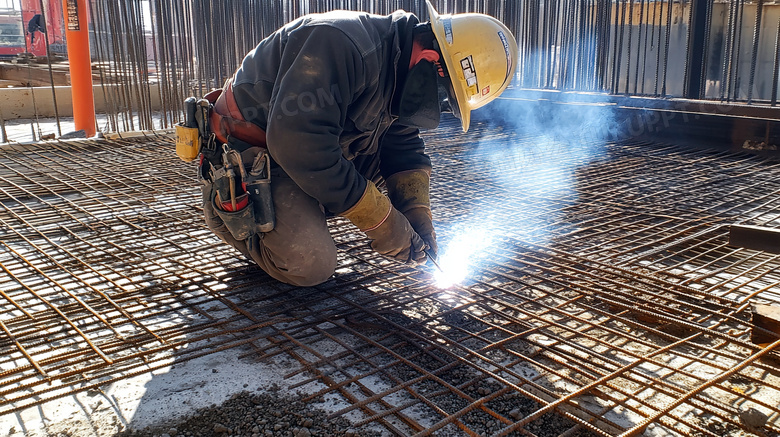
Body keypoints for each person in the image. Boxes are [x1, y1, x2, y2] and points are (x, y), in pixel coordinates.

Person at [198, 1, 518, 286]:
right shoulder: (340, 43)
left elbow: (402, 144)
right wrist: (383, 222)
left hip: (308, 154)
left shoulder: (402, 68)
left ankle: (309, 206)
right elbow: (299, 144)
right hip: (256, 156)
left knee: (384, 181)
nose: (439, 105)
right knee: (310, 264)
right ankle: (235, 218)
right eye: (444, 95)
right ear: (432, 59)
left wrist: (415, 210)